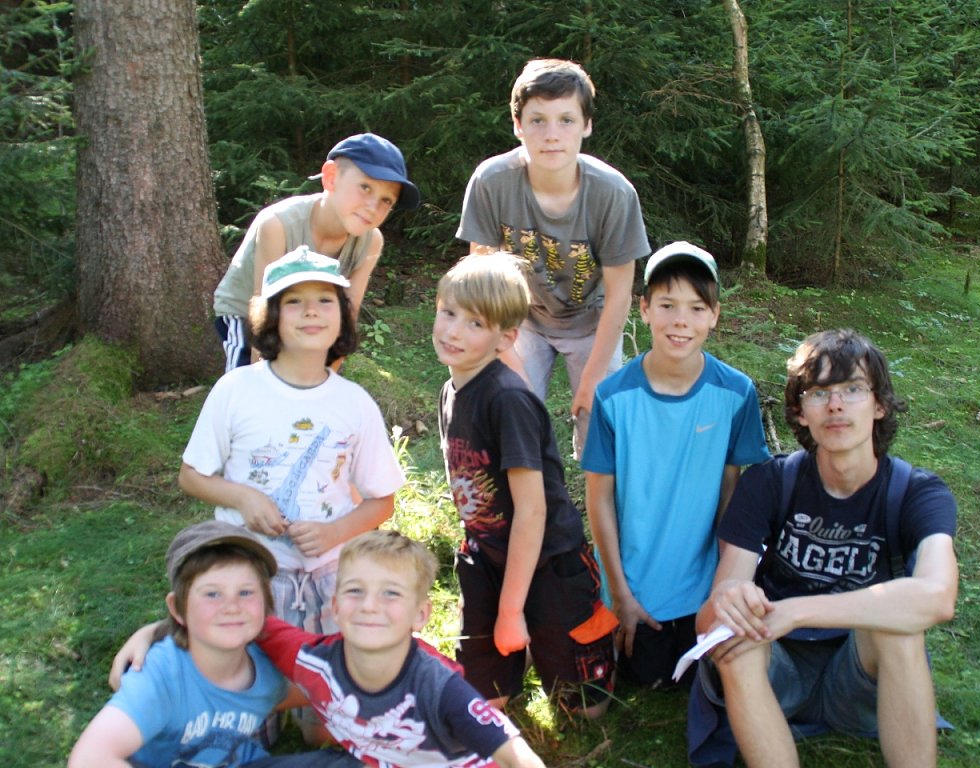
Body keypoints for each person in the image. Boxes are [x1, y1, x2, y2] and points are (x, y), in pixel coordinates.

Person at [689, 329, 959, 768]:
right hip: (775, 673)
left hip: (861, 676)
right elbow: (719, 602)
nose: (835, 405)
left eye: (852, 389)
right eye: (818, 392)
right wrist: (731, 599)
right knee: (732, 630)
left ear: (879, 405)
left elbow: (937, 596)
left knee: (899, 624)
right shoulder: (770, 482)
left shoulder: (917, 492)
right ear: (799, 413)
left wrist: (797, 611)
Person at [181, 245, 405, 742]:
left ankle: (314, 715)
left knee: (326, 728)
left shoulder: (354, 403)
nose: (310, 312)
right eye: (294, 301)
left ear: (342, 316)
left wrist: (333, 532)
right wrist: (243, 498)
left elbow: (381, 500)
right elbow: (192, 476)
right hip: (250, 578)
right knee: (246, 721)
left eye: (324, 300)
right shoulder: (236, 390)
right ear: (271, 318)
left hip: (329, 580)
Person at [110, 530, 548, 768]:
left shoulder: (439, 687)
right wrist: (153, 630)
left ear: (420, 615)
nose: (370, 606)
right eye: (355, 591)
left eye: (391, 594)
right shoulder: (310, 658)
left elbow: (518, 758)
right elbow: (243, 617)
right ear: (335, 606)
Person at [432, 252, 617, 718]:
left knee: (582, 709)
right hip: (487, 557)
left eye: (475, 323)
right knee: (483, 702)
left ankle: (542, 634)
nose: (454, 331)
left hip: (550, 562)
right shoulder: (451, 390)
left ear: (506, 338)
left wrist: (511, 610)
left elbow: (532, 513)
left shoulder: (508, 400)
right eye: (449, 312)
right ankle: (519, 644)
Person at [581, 241, 770, 690]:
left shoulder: (736, 393)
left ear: (714, 316)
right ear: (644, 309)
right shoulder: (612, 396)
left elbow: (731, 496)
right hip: (635, 586)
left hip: (703, 587)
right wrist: (620, 594)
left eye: (696, 307)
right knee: (646, 677)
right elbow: (599, 499)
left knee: (705, 679)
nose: (680, 320)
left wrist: (725, 586)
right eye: (667, 305)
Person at [456, 58, 651, 457]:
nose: (551, 135)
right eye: (537, 120)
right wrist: (510, 366)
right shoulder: (492, 181)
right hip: (521, 319)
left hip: (593, 322)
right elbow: (482, 284)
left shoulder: (613, 193)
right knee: (507, 413)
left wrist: (593, 380)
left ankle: (601, 491)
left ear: (587, 125)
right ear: (517, 125)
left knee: (602, 428)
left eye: (566, 120)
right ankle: (519, 491)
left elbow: (620, 294)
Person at [70, 521, 289, 768]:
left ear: (266, 601)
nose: (232, 607)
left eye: (246, 592)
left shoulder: (270, 666)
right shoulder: (162, 673)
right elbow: (88, 760)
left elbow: (316, 687)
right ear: (177, 609)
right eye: (212, 594)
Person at [214, 132, 420, 371]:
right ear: (331, 177)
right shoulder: (277, 224)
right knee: (246, 381)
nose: (373, 207)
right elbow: (263, 314)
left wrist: (327, 377)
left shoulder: (371, 242)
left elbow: (345, 319)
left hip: (307, 315)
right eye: (365, 187)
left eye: (386, 200)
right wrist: (261, 384)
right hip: (246, 314)